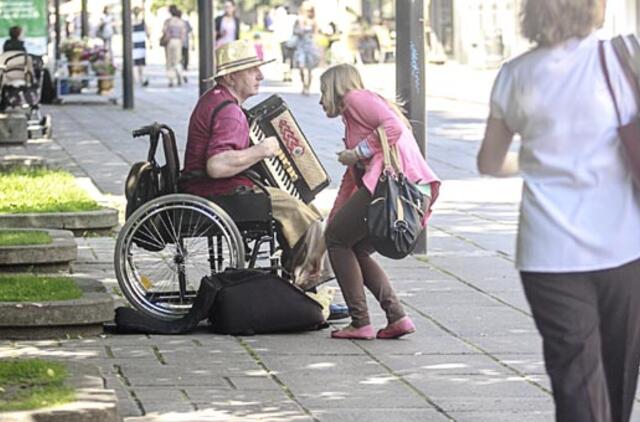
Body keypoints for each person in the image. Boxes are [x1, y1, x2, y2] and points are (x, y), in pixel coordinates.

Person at [477, 0, 640, 421]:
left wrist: (531, 162)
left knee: (576, 380)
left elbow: (490, 163)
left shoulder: (514, 74)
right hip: (623, 246)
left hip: (547, 253)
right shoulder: (622, 58)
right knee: (620, 372)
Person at [181, 39, 323, 280]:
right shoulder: (229, 112)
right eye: (251, 70)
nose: (260, 75)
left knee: (305, 205)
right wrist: (261, 150)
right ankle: (307, 284)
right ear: (230, 77)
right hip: (217, 192)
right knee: (301, 213)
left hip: (208, 188)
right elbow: (216, 166)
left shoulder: (216, 99)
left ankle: (295, 281)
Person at [319, 63, 440, 340]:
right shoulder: (354, 115)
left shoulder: (355, 99)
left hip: (389, 187)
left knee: (337, 242)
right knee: (354, 247)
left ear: (337, 86)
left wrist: (358, 151)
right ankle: (397, 317)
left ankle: (360, 322)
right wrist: (335, 218)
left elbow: (393, 127)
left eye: (323, 90)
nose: (320, 99)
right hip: (399, 189)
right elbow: (352, 180)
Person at [292, 1, 321, 95]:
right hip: (301, 45)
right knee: (301, 66)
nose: (309, 12)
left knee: (309, 68)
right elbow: (294, 31)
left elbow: (316, 34)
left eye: (310, 10)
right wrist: (299, 30)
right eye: (307, 10)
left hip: (310, 45)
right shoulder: (299, 20)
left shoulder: (314, 21)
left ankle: (307, 87)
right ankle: (303, 84)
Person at [161, 5, 187, 87]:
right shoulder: (181, 22)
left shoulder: (168, 21)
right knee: (177, 60)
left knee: (169, 62)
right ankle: (180, 75)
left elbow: (165, 32)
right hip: (178, 41)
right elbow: (183, 35)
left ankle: (171, 79)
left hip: (170, 42)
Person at [272, 5, 297, 82]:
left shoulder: (290, 18)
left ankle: (287, 74)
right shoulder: (290, 18)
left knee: (287, 58)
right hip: (286, 40)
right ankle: (287, 74)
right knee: (288, 58)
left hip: (288, 40)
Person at [132, 7, 149, 87]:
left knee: (135, 63)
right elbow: (147, 32)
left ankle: (136, 80)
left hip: (133, 43)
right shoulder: (142, 22)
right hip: (141, 43)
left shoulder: (131, 22)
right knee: (141, 63)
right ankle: (142, 78)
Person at [179, 10, 193, 80]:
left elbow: (190, 30)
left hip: (182, 43)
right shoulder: (185, 22)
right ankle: (183, 71)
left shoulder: (183, 22)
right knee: (185, 57)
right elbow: (190, 30)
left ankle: (182, 71)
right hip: (184, 43)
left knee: (182, 58)